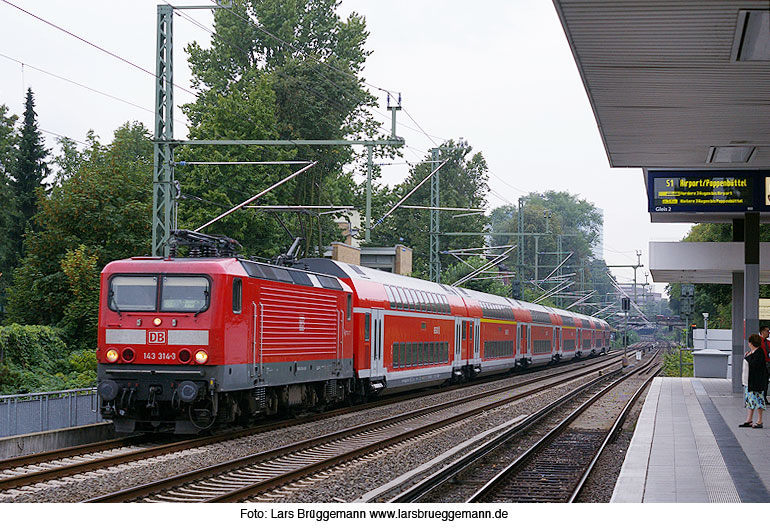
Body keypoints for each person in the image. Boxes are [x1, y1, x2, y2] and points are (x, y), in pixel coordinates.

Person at [740, 334, 768, 428]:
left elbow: (754, 365)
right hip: (749, 382)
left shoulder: (758, 353)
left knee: (758, 401)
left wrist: (748, 357)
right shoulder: (753, 353)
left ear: (751, 343)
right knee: (750, 401)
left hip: (756, 383)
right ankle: (749, 420)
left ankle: (759, 421)